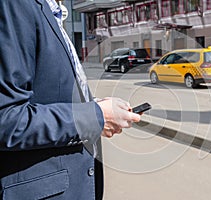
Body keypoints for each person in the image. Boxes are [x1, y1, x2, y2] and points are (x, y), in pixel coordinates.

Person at [0, 0, 140, 199]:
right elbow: (6, 118)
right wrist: (95, 117)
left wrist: (96, 106)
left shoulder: (50, 12)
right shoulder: (15, 4)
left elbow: (47, 92)